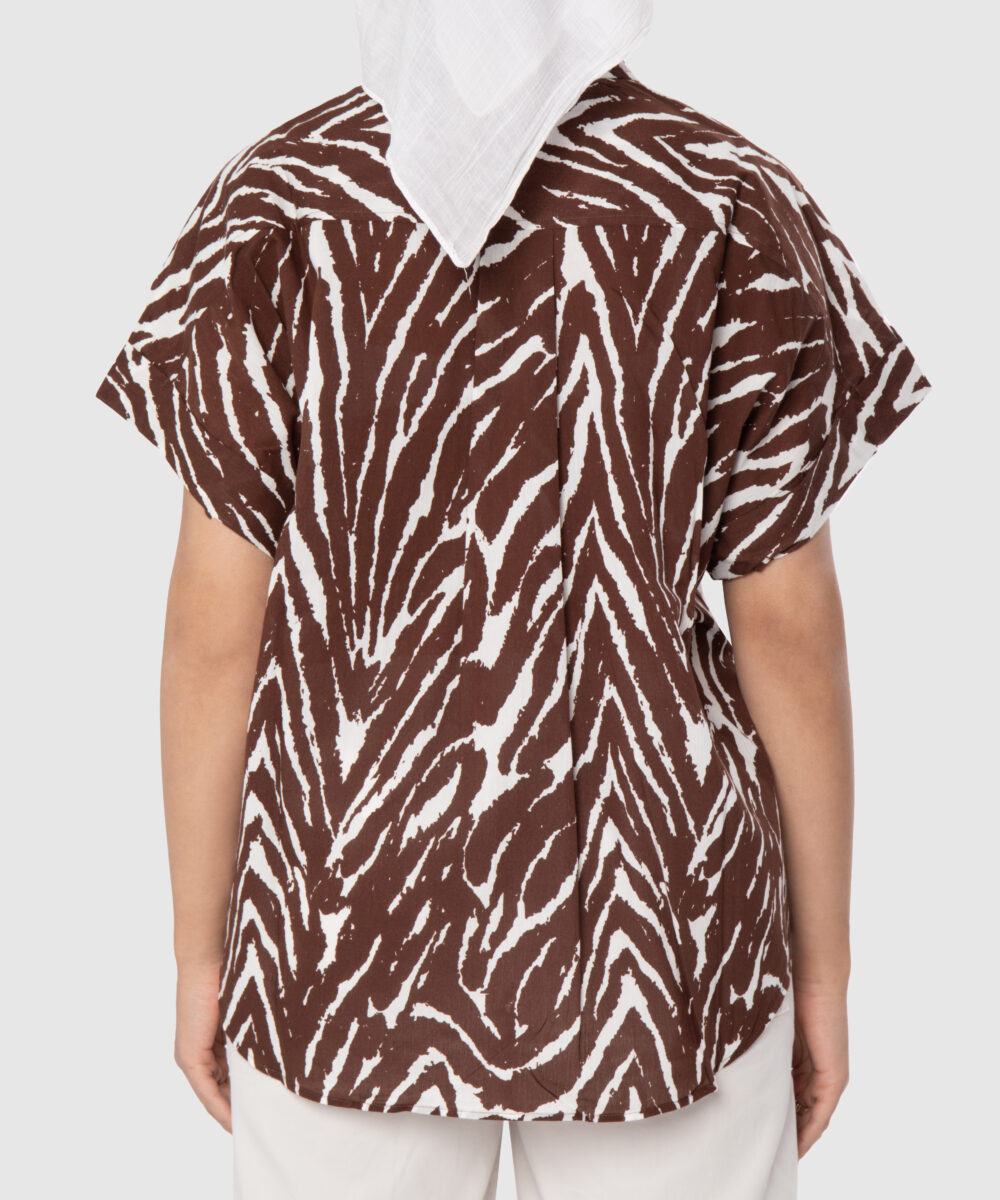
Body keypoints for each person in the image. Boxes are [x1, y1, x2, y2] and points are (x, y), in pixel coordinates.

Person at [93, 2, 931, 1197]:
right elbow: (786, 627)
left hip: (341, 920)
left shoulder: (276, 203)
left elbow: (211, 626)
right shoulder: (728, 201)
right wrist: (824, 967)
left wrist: (198, 951)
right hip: (659, 928)